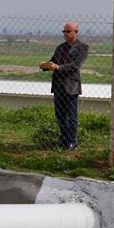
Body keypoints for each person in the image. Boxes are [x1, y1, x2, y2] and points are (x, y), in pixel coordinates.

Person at [39, 22, 89, 150]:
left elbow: (75, 65)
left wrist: (58, 67)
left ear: (76, 32)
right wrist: (45, 65)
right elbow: (53, 61)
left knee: (72, 117)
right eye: (64, 32)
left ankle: (72, 141)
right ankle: (64, 139)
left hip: (71, 86)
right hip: (58, 85)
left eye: (68, 31)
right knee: (60, 115)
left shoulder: (83, 47)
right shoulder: (60, 47)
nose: (65, 34)